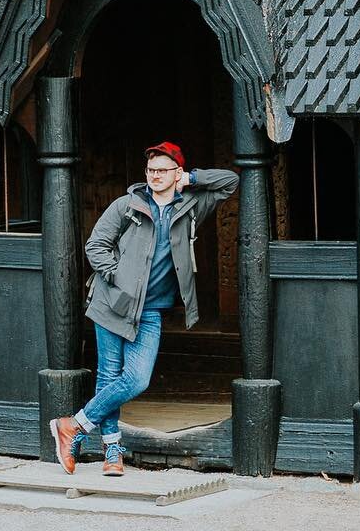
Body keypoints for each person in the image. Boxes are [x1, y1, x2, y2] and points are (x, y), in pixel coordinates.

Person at [48, 140, 239, 476]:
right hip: (112, 304)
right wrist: (117, 277)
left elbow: (230, 182)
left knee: (136, 379)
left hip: (151, 310)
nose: (155, 176)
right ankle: (112, 454)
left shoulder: (192, 205)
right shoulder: (128, 205)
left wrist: (192, 179)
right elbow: (96, 245)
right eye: (151, 170)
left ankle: (73, 426)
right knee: (109, 376)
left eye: (163, 170)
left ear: (176, 173)